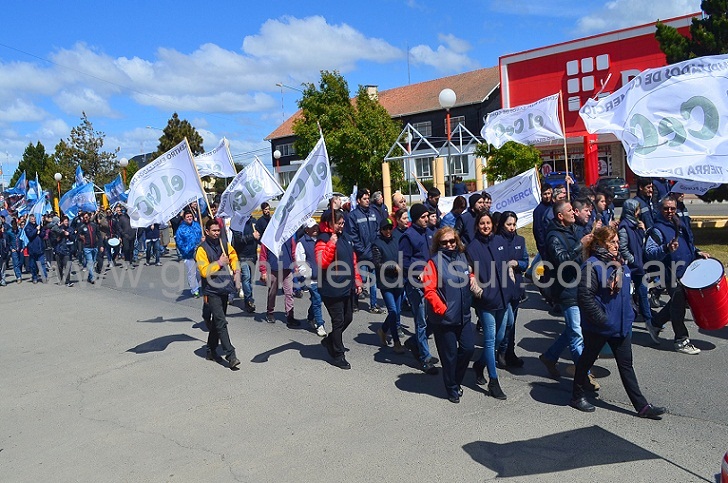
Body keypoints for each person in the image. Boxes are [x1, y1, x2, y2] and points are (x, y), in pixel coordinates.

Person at [570, 226, 666, 420]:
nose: (617, 245)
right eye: (612, 242)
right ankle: (577, 396)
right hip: (600, 327)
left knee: (626, 366)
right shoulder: (592, 265)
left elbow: (627, 292)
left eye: (616, 241)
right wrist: (603, 320)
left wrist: (631, 311)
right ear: (600, 244)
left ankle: (642, 407)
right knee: (587, 360)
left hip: (621, 326)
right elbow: (585, 298)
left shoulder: (619, 263)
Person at [538, 201, 599, 392]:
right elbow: (563, 261)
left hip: (580, 287)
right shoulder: (553, 237)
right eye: (569, 210)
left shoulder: (574, 229)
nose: (574, 212)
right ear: (560, 216)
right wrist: (579, 246)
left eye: (573, 209)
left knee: (574, 329)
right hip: (565, 290)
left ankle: (550, 356)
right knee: (576, 334)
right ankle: (585, 375)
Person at [644, 197, 708, 354]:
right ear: (660, 210)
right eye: (666, 208)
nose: (669, 211)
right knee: (679, 306)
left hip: (687, 271)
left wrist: (697, 252)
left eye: (672, 208)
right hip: (671, 273)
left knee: (677, 302)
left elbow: (688, 245)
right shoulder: (657, 230)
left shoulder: (679, 224)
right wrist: (666, 248)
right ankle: (681, 340)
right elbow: (649, 252)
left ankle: (655, 323)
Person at [422, 227, 476, 403]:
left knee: (468, 349)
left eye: (452, 241)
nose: (449, 245)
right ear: (439, 243)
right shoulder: (433, 262)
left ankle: (455, 380)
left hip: (463, 315)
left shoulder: (462, 256)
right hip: (444, 318)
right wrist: (442, 309)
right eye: (444, 242)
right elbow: (429, 290)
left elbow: (469, 275)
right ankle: (451, 387)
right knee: (449, 356)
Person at [466, 212, 512, 400]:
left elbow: (507, 266)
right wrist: (479, 292)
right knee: (490, 340)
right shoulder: (472, 247)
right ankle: (494, 381)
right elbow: (469, 274)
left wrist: (511, 288)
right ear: (477, 226)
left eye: (488, 223)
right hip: (485, 301)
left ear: (492, 225)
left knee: (501, 338)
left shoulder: (499, 241)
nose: (485, 226)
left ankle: (479, 365)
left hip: (503, 298)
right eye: (482, 223)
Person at [315, 210, 362, 369]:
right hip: (331, 288)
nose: (341, 226)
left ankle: (329, 341)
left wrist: (357, 280)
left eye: (343, 223)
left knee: (348, 317)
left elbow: (353, 261)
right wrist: (331, 243)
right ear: (329, 223)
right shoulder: (322, 240)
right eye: (338, 223)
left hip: (346, 286)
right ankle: (337, 354)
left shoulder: (346, 238)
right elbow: (322, 263)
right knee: (338, 320)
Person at [196, 219, 241, 369]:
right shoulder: (201, 249)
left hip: (224, 287)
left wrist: (236, 270)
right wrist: (220, 263)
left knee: (217, 322)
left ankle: (210, 350)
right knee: (221, 322)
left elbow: (233, 256)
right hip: (211, 290)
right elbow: (204, 271)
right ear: (207, 232)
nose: (216, 233)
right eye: (213, 230)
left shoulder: (223, 244)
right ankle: (231, 354)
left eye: (218, 230)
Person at [400, 203, 439, 374]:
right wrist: (419, 271)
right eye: (423, 217)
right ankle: (425, 358)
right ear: (416, 218)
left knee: (435, 319)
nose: (427, 219)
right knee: (421, 321)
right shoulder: (408, 236)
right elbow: (403, 261)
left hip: (432, 283)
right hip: (416, 284)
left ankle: (414, 342)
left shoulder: (431, 233)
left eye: (427, 216)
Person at [496, 211, 528, 368]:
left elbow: (525, 262)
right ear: (502, 224)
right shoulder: (496, 240)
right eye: (508, 224)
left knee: (513, 322)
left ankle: (510, 352)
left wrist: (517, 263)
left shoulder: (520, 240)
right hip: (501, 288)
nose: (512, 227)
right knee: (506, 322)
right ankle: (501, 351)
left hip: (516, 287)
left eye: (514, 224)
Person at [346, 188, 382, 314]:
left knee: (373, 280)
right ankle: (354, 302)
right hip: (361, 254)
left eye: (368, 199)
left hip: (373, 253)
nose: (367, 201)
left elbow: (378, 231)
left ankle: (373, 305)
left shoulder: (373, 213)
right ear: (358, 200)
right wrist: (362, 250)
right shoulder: (353, 216)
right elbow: (353, 236)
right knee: (360, 279)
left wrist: (376, 248)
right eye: (365, 199)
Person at [372, 218, 405, 353]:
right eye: (385, 228)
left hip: (399, 280)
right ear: (380, 230)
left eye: (390, 228)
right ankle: (397, 342)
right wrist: (392, 267)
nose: (388, 231)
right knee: (392, 311)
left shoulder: (396, 240)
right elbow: (377, 263)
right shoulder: (376, 244)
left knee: (397, 312)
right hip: (386, 282)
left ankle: (383, 330)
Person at [618, 199, 651, 328]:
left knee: (643, 292)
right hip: (631, 267)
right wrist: (634, 260)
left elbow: (641, 243)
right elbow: (623, 248)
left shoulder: (636, 225)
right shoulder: (624, 227)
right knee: (627, 295)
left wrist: (643, 230)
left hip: (639, 267)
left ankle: (649, 320)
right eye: (636, 209)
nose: (638, 212)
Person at [295, 218, 326, 337]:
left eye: (316, 226)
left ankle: (310, 317)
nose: (315, 229)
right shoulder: (302, 243)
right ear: (306, 229)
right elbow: (300, 262)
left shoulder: (321, 239)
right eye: (312, 227)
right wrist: (309, 274)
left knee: (318, 300)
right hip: (312, 278)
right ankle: (320, 324)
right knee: (317, 300)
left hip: (323, 276)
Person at [260, 236, 299, 326]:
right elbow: (263, 255)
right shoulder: (269, 237)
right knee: (272, 292)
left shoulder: (288, 237)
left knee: (289, 292)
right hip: (273, 268)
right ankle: (270, 312)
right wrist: (263, 271)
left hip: (286, 268)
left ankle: (290, 315)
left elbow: (293, 251)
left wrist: (295, 265)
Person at [231, 216, 259, 313]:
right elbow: (238, 239)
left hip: (252, 255)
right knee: (246, 277)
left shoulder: (254, 221)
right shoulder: (238, 223)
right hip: (242, 255)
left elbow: (259, 236)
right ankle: (248, 301)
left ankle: (247, 295)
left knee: (249, 279)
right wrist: (252, 236)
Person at [175, 210, 203, 297]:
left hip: (199, 252)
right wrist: (187, 250)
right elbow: (179, 243)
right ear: (184, 218)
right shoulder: (181, 229)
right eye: (187, 217)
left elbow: (201, 235)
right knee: (192, 273)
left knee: (201, 271)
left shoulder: (197, 225)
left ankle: (198, 285)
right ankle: (195, 290)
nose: (189, 218)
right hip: (189, 255)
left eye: (190, 216)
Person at [51, 215, 75, 287]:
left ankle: (68, 281)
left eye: (67, 221)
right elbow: (52, 239)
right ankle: (60, 279)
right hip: (58, 250)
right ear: (61, 222)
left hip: (67, 250)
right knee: (59, 267)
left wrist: (69, 234)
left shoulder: (70, 229)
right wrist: (57, 238)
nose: (66, 223)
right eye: (65, 221)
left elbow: (73, 238)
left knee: (67, 266)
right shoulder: (57, 229)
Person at [25, 214, 48, 283]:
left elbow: (43, 235)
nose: (34, 220)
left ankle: (44, 277)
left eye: (34, 219)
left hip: (40, 248)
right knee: (33, 265)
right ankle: (34, 277)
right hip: (32, 249)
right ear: (30, 219)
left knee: (42, 264)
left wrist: (40, 231)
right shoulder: (27, 227)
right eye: (32, 219)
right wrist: (36, 230)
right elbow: (30, 235)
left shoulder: (38, 226)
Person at [7, 219, 24, 283]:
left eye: (15, 224)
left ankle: (19, 272)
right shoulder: (9, 232)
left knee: (21, 262)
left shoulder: (20, 231)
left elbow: (22, 239)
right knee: (15, 263)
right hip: (14, 249)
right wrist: (11, 248)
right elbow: (8, 242)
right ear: (11, 225)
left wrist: (23, 247)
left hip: (20, 249)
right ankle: (18, 277)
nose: (14, 226)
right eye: (13, 225)